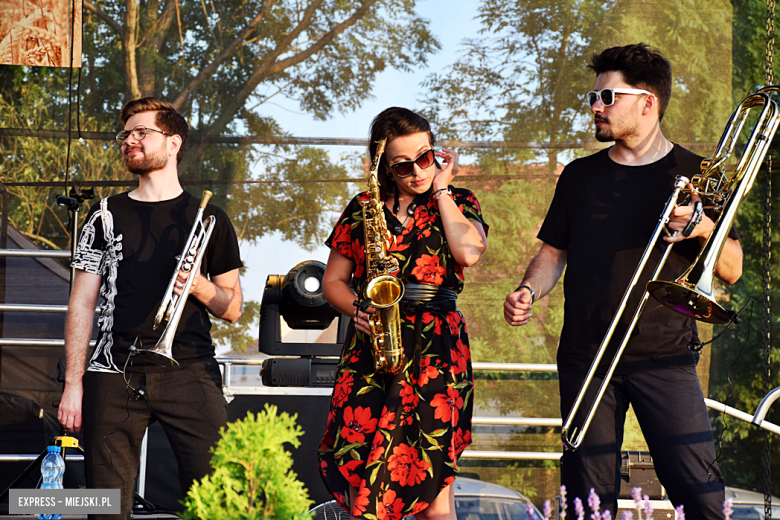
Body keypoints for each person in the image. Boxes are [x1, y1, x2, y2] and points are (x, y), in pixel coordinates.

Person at [503, 44, 741, 519]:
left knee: (703, 500)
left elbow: (731, 267)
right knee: (590, 509)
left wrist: (698, 226)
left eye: (608, 97)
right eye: (593, 97)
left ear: (647, 102)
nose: (595, 107)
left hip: (666, 356)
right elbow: (552, 255)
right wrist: (529, 289)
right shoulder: (578, 176)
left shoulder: (696, 174)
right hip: (587, 359)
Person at [57, 97, 243, 519]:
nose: (130, 140)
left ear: (173, 142)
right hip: (113, 371)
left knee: (217, 499)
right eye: (126, 134)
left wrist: (198, 286)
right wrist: (73, 383)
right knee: (104, 507)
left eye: (142, 132)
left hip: (190, 370)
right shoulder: (103, 216)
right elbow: (81, 303)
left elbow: (232, 308)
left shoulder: (210, 218)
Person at [318, 107, 489, 520]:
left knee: (434, 481)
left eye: (426, 157)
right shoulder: (362, 208)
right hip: (373, 346)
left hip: (437, 350)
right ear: (383, 167)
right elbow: (332, 283)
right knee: (365, 477)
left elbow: (469, 251)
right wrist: (357, 309)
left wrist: (443, 191)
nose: (417, 171)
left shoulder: (460, 200)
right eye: (402, 165)